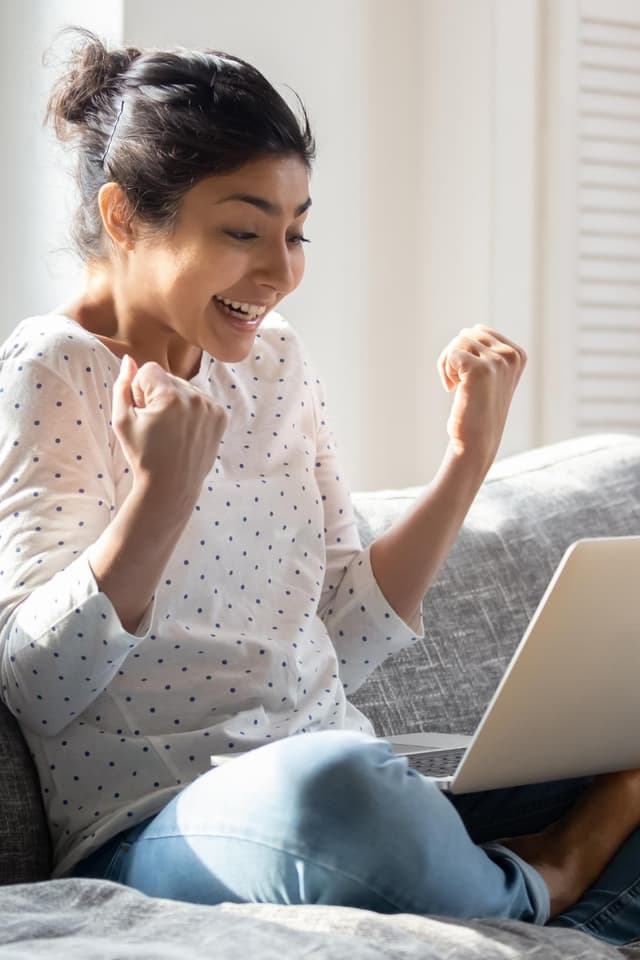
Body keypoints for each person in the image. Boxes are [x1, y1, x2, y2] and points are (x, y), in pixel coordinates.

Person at [1, 25, 640, 945]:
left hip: (344, 768)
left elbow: (344, 627)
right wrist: (157, 499)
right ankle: (548, 882)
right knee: (334, 793)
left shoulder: (273, 363)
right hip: (159, 823)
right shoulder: (53, 369)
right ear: (123, 217)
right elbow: (36, 686)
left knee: (387, 773)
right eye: (242, 231)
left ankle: (503, 882)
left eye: (296, 233)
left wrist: (467, 460)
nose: (279, 273)